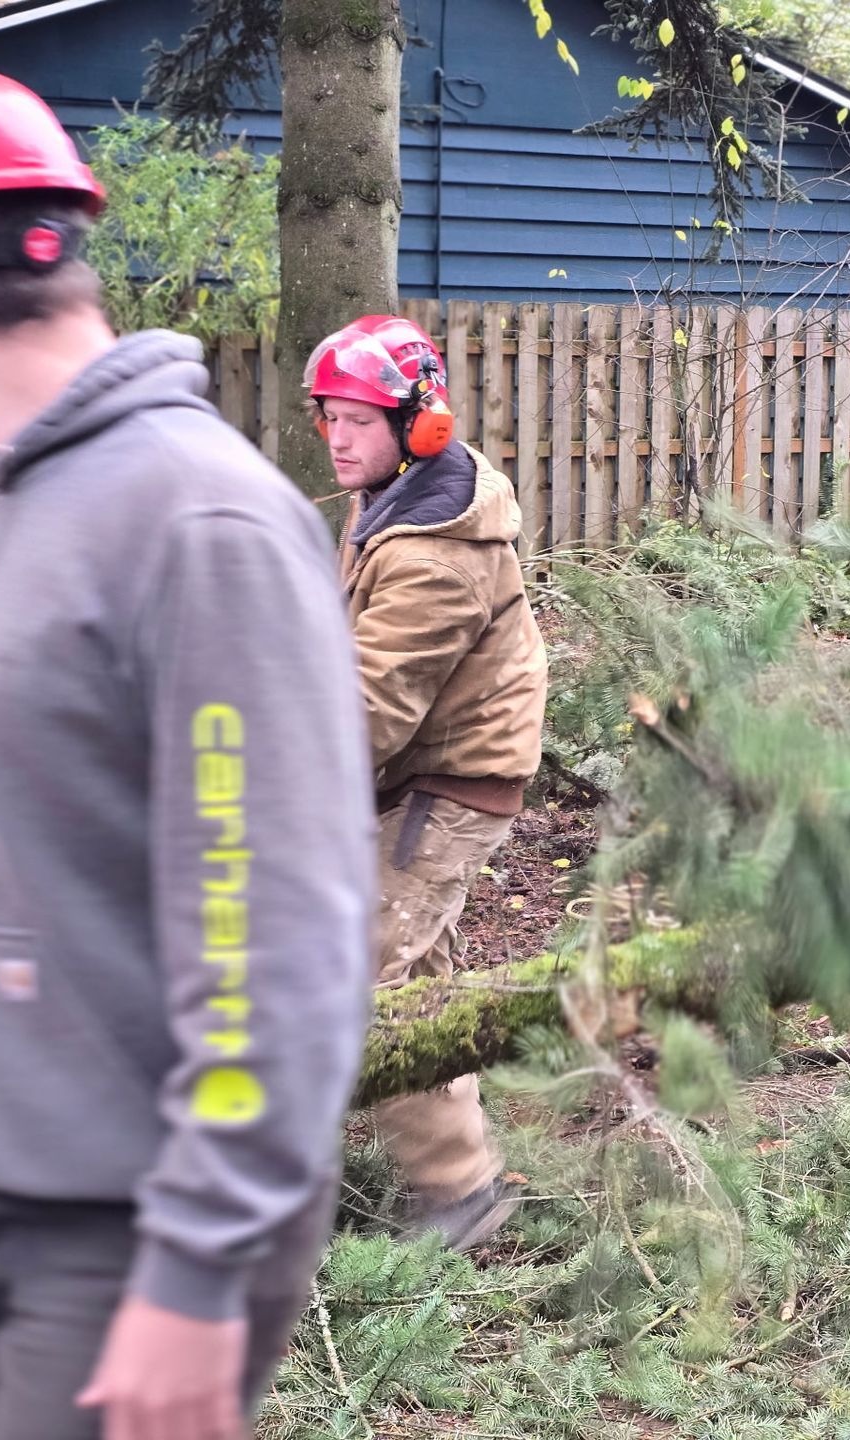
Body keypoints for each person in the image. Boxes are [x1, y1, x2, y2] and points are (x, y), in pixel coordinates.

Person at [0, 67, 375, 1440]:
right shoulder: (26, 497)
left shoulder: (198, 524)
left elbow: (279, 936)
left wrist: (199, 1274)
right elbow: (28, 846)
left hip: (119, 1230)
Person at [304, 316, 547, 1251]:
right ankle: (460, 1172)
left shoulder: (437, 549)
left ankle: (459, 1203)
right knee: (413, 980)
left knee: (366, 980)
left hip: (450, 784)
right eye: (329, 417)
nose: (338, 438)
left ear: (421, 423)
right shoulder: (392, 502)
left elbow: (366, 708)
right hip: (407, 774)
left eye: (359, 419)